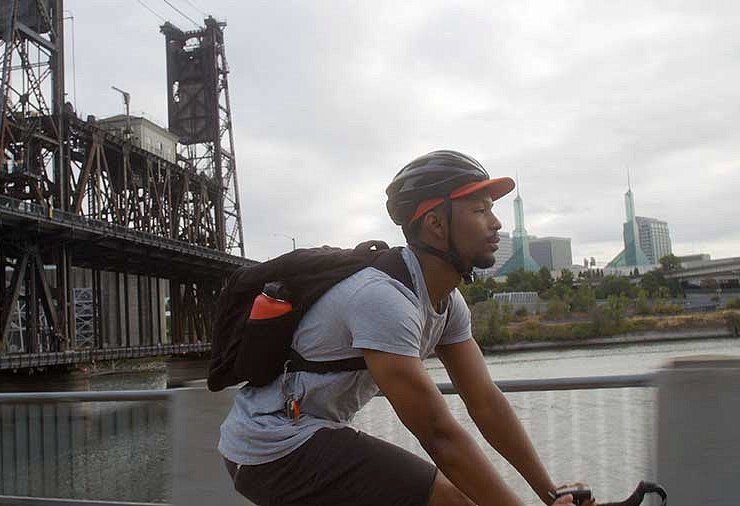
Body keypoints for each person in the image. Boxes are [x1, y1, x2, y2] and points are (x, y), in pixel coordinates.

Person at [218, 150, 592, 505]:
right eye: (479, 210)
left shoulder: (447, 303)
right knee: (449, 499)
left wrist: (549, 493)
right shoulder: (382, 300)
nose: (495, 223)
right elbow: (439, 435)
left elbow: (486, 403)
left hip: (313, 437)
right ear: (435, 224)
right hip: (272, 448)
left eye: (491, 210)